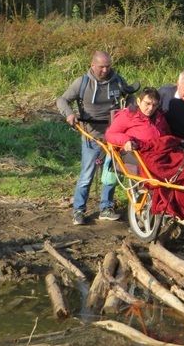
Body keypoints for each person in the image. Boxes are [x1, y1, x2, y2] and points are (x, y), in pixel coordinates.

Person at [57, 51, 134, 225]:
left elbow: (130, 96)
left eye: (108, 66)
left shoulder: (118, 80)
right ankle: (78, 210)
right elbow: (62, 100)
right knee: (87, 174)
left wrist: (129, 112)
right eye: (101, 67)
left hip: (114, 135)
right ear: (92, 66)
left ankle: (106, 208)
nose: (105, 70)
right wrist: (69, 114)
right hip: (91, 135)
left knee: (110, 173)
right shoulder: (82, 83)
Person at [105, 87, 184, 219]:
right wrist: (126, 140)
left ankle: (181, 205)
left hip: (161, 150)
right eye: (147, 103)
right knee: (157, 169)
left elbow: (167, 135)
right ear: (138, 101)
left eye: (154, 105)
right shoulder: (128, 115)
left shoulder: (159, 117)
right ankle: (164, 204)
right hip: (140, 151)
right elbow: (110, 134)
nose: (150, 108)